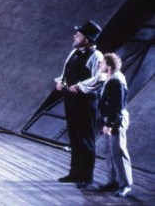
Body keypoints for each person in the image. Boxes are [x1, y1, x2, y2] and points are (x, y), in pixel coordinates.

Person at [54, 19, 104, 189]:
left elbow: (99, 78)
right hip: (71, 100)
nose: (75, 36)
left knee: (85, 138)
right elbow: (66, 72)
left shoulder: (96, 56)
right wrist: (61, 82)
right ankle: (74, 173)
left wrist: (81, 86)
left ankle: (86, 177)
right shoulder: (74, 52)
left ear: (87, 39)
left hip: (85, 102)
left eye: (79, 34)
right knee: (74, 136)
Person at [97, 52, 133, 198]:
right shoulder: (110, 78)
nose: (100, 64)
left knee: (118, 152)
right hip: (109, 119)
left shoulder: (117, 80)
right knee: (109, 151)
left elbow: (117, 106)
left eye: (102, 62)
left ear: (109, 66)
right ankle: (113, 182)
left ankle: (125, 185)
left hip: (116, 120)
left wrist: (110, 124)